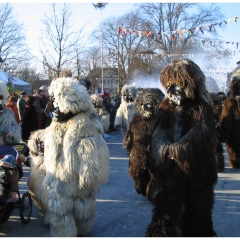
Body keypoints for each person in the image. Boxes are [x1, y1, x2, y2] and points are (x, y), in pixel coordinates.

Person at [147, 59, 217, 237]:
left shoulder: (202, 107)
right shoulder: (165, 106)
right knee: (165, 217)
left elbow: (200, 134)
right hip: (170, 173)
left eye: (178, 83)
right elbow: (159, 132)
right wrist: (164, 150)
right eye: (170, 84)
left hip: (196, 172)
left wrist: (177, 151)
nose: (173, 89)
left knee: (198, 218)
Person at [0, 81, 21, 146]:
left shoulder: (8, 113)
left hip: (6, 149)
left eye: (0, 97)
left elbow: (17, 128)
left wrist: (11, 132)